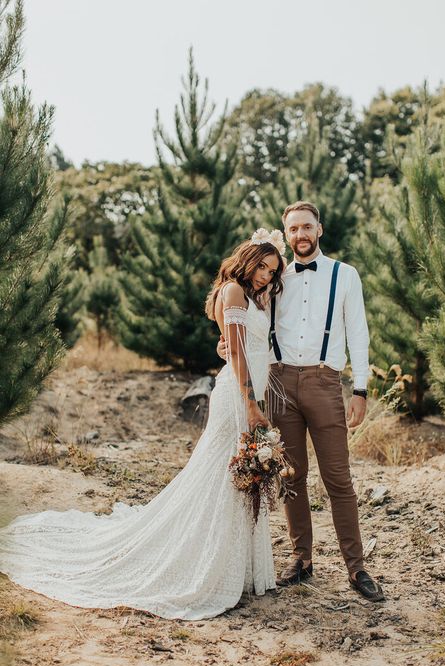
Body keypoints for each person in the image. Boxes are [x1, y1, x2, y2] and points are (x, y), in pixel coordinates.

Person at [0, 232, 286, 620]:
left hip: (247, 392)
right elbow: (234, 350)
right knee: (221, 474)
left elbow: (237, 343)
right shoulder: (234, 291)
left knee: (231, 476)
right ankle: (207, 560)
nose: (266, 276)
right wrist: (252, 405)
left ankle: (237, 563)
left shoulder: (250, 295)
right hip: (237, 397)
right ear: (247, 259)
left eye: (272, 271)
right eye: (262, 267)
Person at [219, 202, 384, 601]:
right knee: (291, 476)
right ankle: (302, 559)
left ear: (320, 230)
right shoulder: (273, 278)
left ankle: (356, 566)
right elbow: (237, 316)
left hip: (325, 382)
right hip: (278, 384)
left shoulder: (345, 275)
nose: (301, 235)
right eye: (293, 229)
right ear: (286, 233)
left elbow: (358, 333)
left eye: (307, 227)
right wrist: (224, 341)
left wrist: (359, 390)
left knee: (338, 479)